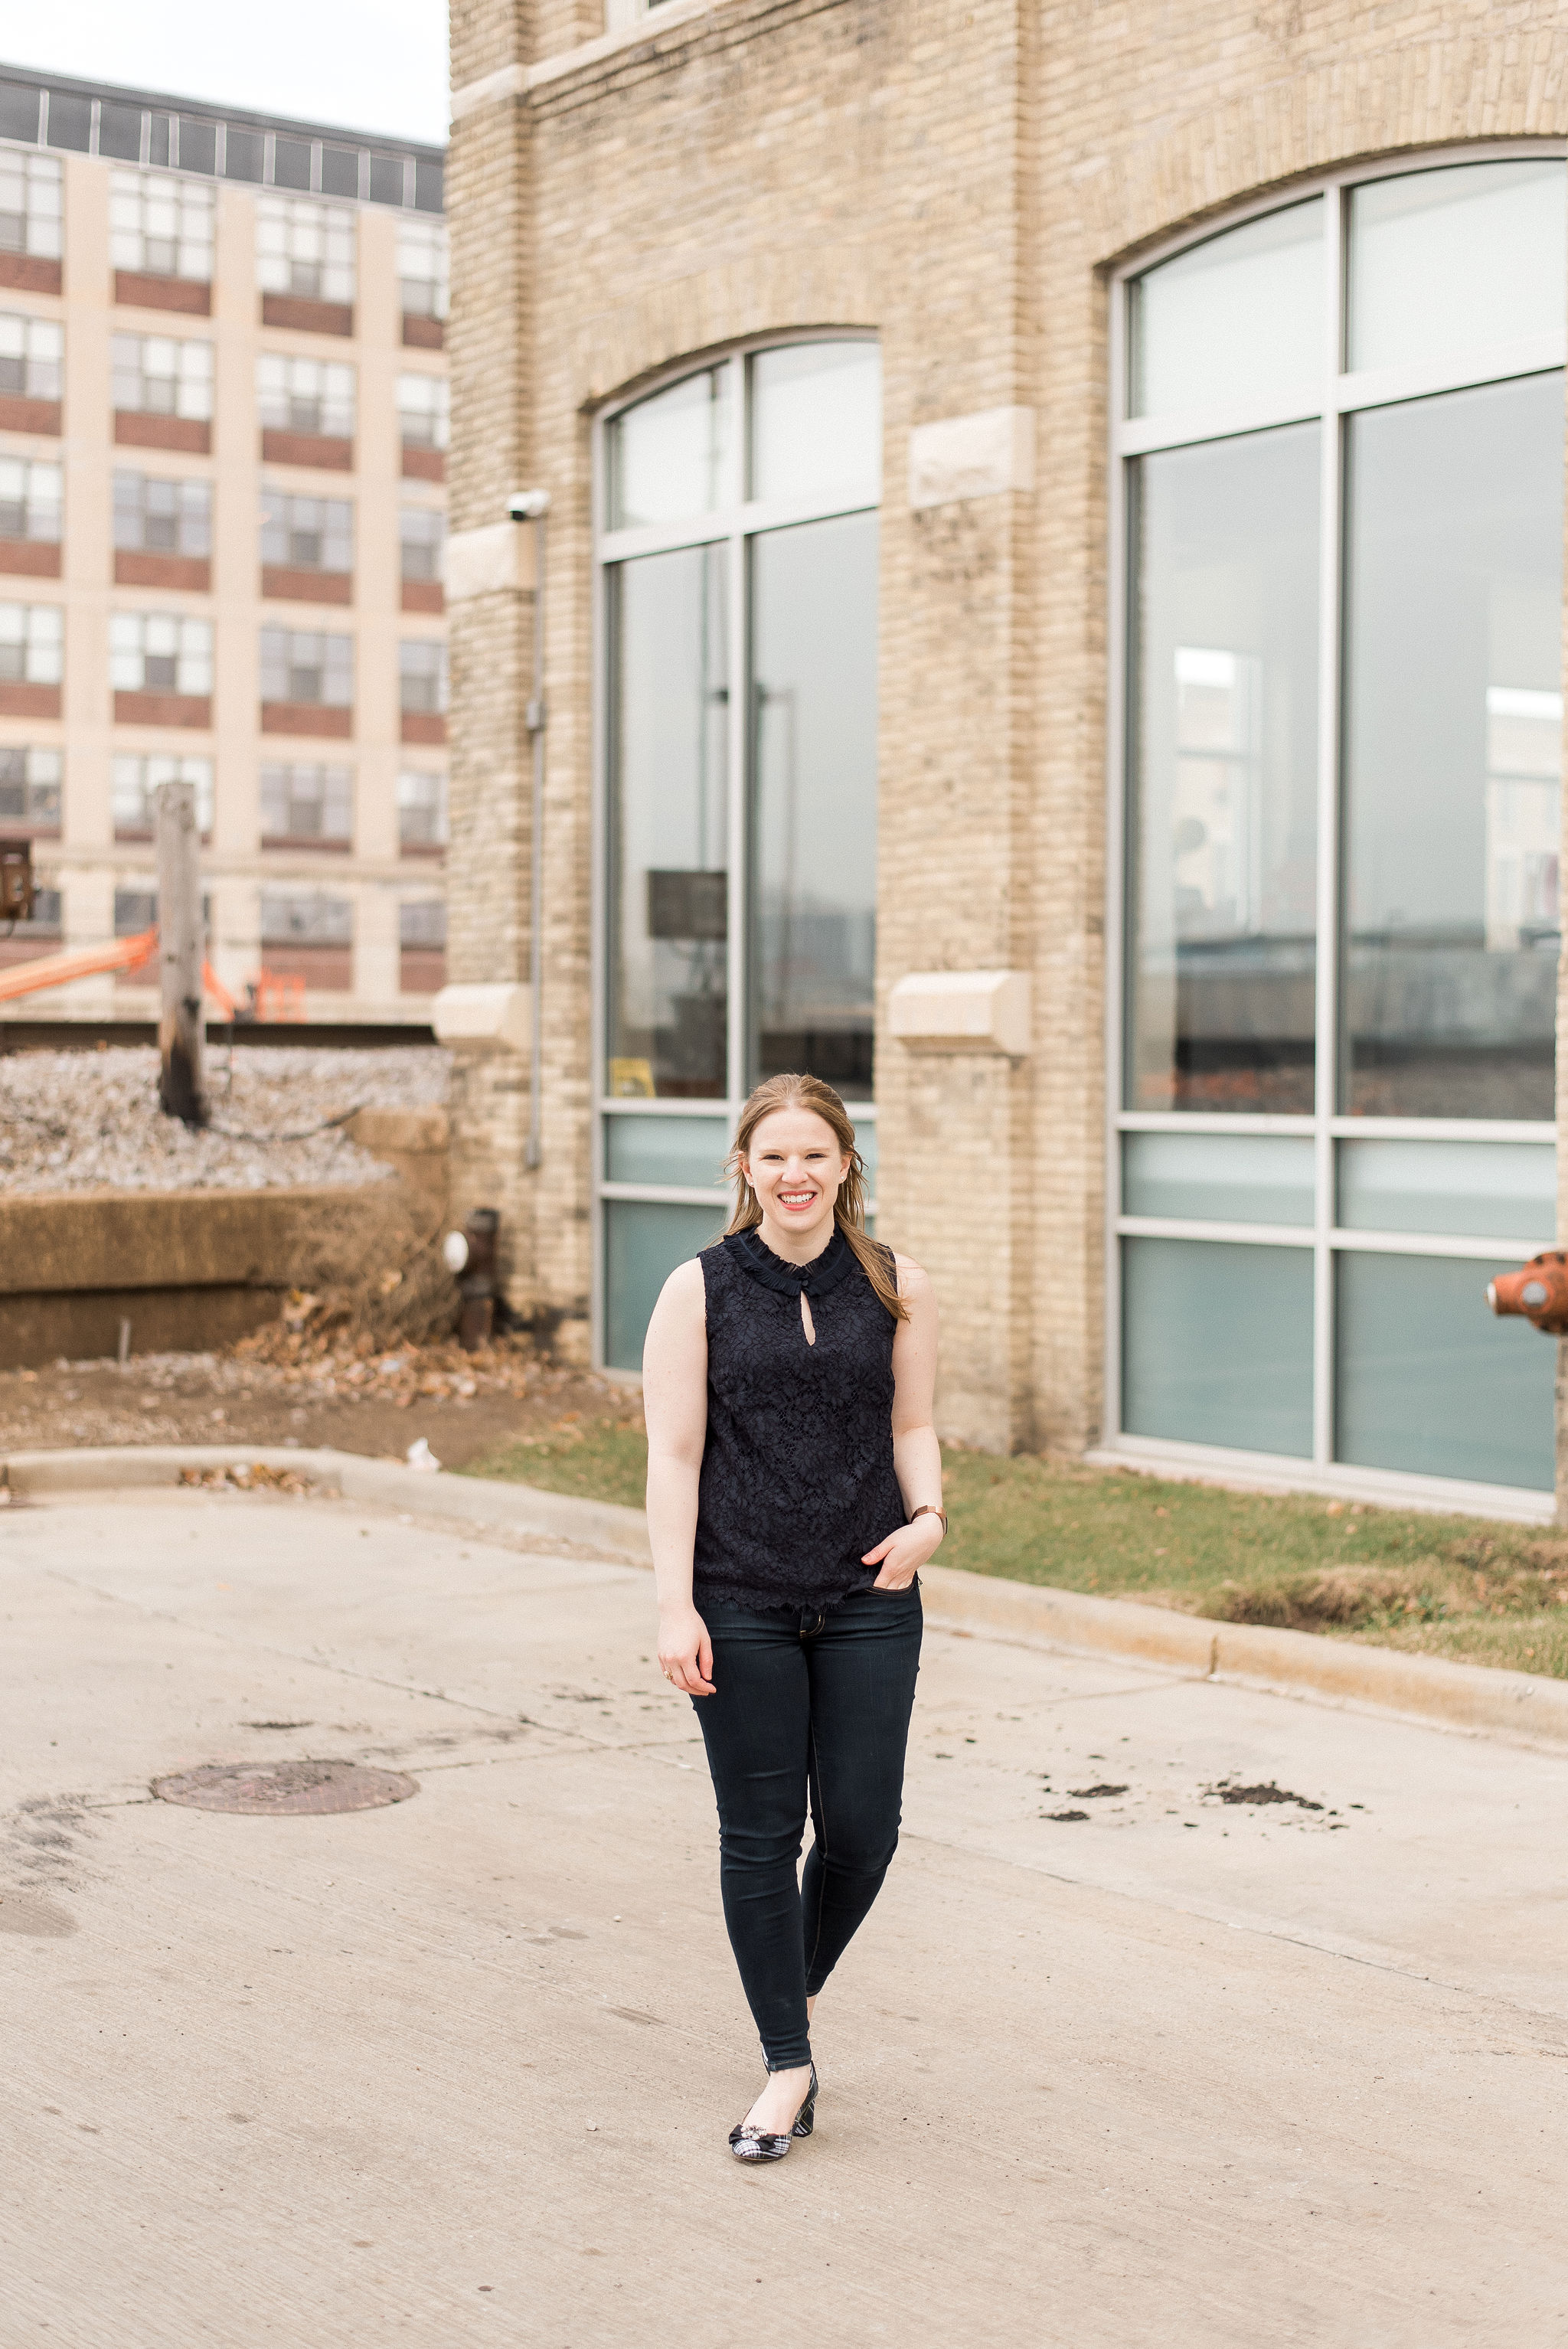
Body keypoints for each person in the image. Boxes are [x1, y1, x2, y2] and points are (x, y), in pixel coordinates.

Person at [641, 1071, 945, 2161]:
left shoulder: (895, 1279)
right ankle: (787, 2063)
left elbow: (912, 1423)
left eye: (815, 1152)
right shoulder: (701, 1288)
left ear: (847, 1163)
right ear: (744, 1168)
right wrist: (675, 1604)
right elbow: (673, 1455)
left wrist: (931, 1519)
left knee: (865, 1832)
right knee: (762, 1838)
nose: (796, 1173)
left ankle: (786, 1993)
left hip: (872, 1593)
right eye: (774, 1155)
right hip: (741, 1597)